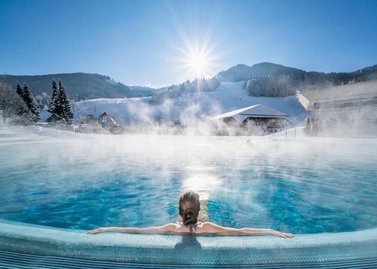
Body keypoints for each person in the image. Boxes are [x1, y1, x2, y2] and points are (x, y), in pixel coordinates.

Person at [87, 191, 294, 238]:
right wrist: (271, 231)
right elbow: (240, 232)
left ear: (179, 212)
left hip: (186, 222)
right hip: (199, 223)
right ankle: (200, 200)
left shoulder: (172, 227)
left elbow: (139, 231)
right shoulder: (208, 226)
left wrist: (108, 228)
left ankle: (195, 201)